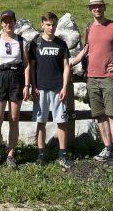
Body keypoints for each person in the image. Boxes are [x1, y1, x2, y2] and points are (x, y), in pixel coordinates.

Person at [69, 0, 113, 167]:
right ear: (90, 9)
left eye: (99, 6)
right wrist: (72, 62)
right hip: (91, 78)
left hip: (108, 79)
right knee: (99, 115)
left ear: (104, 7)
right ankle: (108, 148)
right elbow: (87, 49)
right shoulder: (90, 27)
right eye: (93, 6)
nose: (96, 8)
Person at [0, 9, 31, 169]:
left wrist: (27, 85)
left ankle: (11, 155)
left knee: (13, 119)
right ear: (1, 23)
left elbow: (26, 65)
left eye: (10, 21)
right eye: (5, 21)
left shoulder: (22, 41)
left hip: (16, 79)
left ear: (14, 22)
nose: (8, 24)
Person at [29, 12, 75, 170]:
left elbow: (66, 66)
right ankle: (41, 154)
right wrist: (32, 86)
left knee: (61, 121)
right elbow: (32, 67)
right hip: (40, 89)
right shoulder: (35, 44)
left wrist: (64, 87)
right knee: (40, 122)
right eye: (48, 24)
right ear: (42, 24)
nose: (51, 27)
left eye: (54, 25)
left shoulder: (61, 44)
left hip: (57, 89)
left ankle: (62, 154)